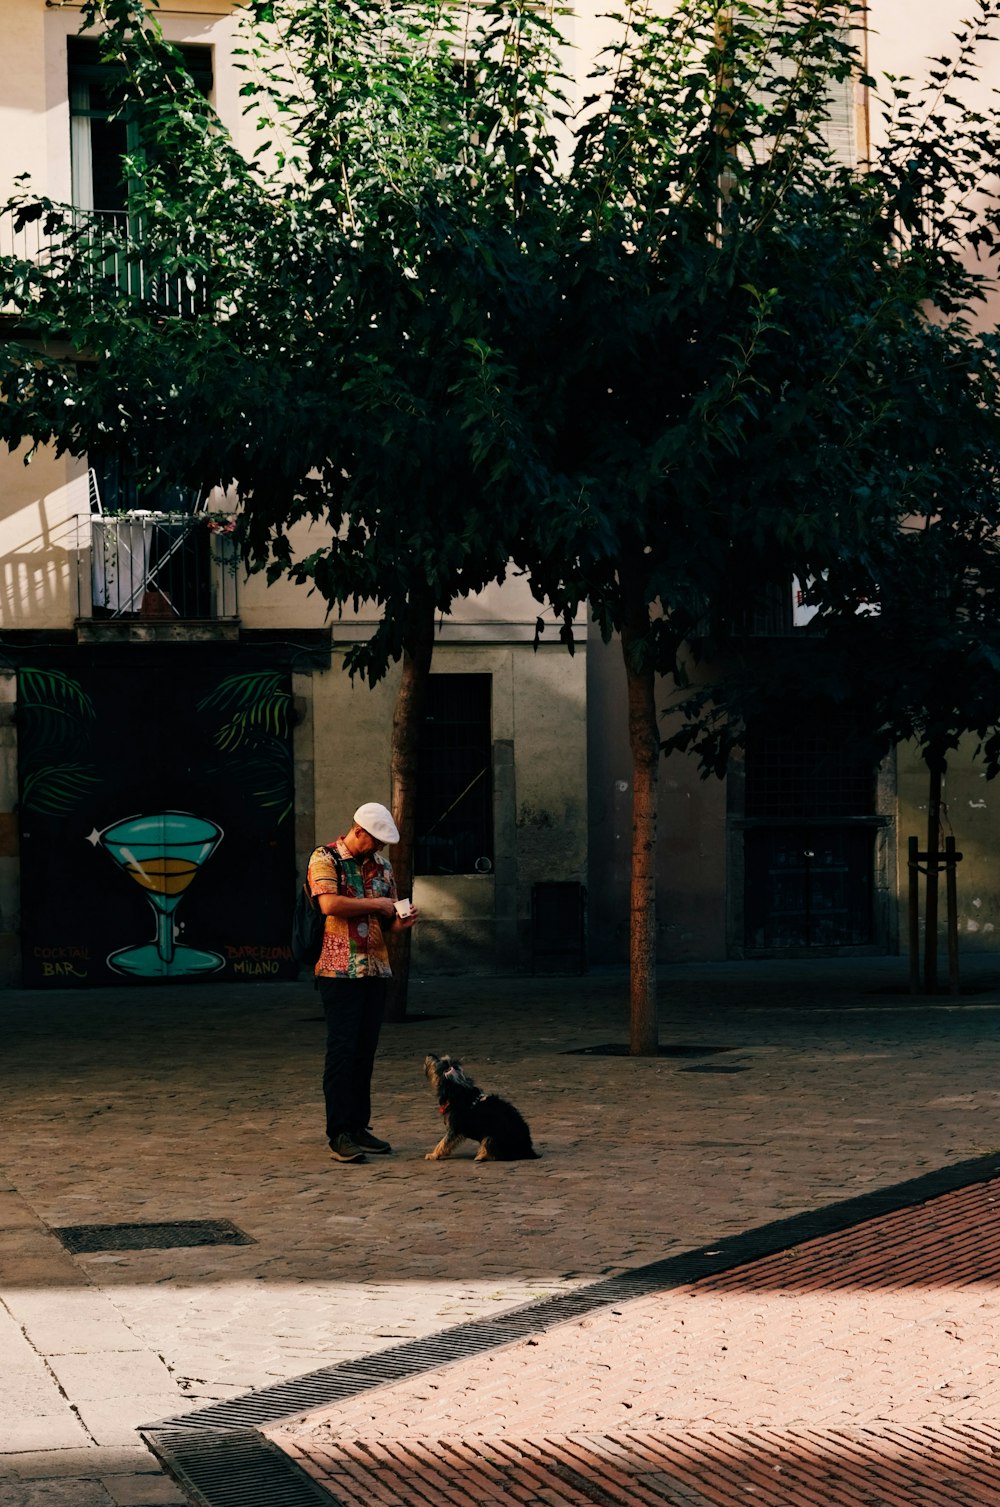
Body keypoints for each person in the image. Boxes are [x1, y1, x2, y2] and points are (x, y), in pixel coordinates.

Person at [308, 802, 418, 1163]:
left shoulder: (383, 868)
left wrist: (400, 921)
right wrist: (379, 905)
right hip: (338, 971)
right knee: (341, 1051)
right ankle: (338, 1131)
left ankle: (358, 1126)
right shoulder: (325, 858)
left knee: (364, 1052)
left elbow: (389, 923)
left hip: (374, 968)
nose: (379, 850)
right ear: (358, 831)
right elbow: (329, 905)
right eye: (375, 842)